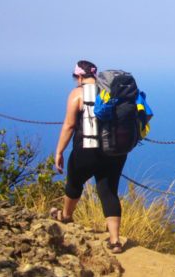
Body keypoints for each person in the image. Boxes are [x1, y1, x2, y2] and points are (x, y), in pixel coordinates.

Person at [51, 60, 127, 254]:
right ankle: (115, 240)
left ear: (79, 77)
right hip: (114, 151)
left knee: (74, 182)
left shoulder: (77, 94)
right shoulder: (111, 93)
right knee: (108, 191)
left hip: (87, 150)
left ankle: (66, 216)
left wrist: (59, 151)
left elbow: (68, 126)